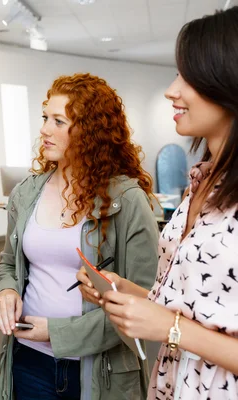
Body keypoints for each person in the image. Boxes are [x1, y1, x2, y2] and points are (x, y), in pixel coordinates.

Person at [77, 6, 238, 400]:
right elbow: (191, 306)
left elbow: (178, 324)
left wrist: (169, 328)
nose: (172, 90)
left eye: (188, 76)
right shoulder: (201, 183)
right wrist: (126, 291)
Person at [0, 73, 160, 400]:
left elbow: (143, 302)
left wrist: (56, 333)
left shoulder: (127, 201)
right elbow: (8, 264)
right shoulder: (26, 193)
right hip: (27, 359)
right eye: (45, 118)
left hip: (99, 371)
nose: (44, 129)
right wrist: (6, 291)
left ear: (89, 130)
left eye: (58, 121)